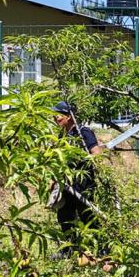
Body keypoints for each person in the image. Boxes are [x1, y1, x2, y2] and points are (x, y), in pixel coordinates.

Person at [51, 101, 103, 254]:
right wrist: (54, 180)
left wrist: (86, 162)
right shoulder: (62, 135)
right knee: (65, 218)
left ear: (69, 116)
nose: (56, 118)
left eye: (59, 115)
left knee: (88, 217)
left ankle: (101, 251)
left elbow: (96, 153)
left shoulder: (83, 132)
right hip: (66, 186)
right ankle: (69, 251)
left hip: (83, 185)